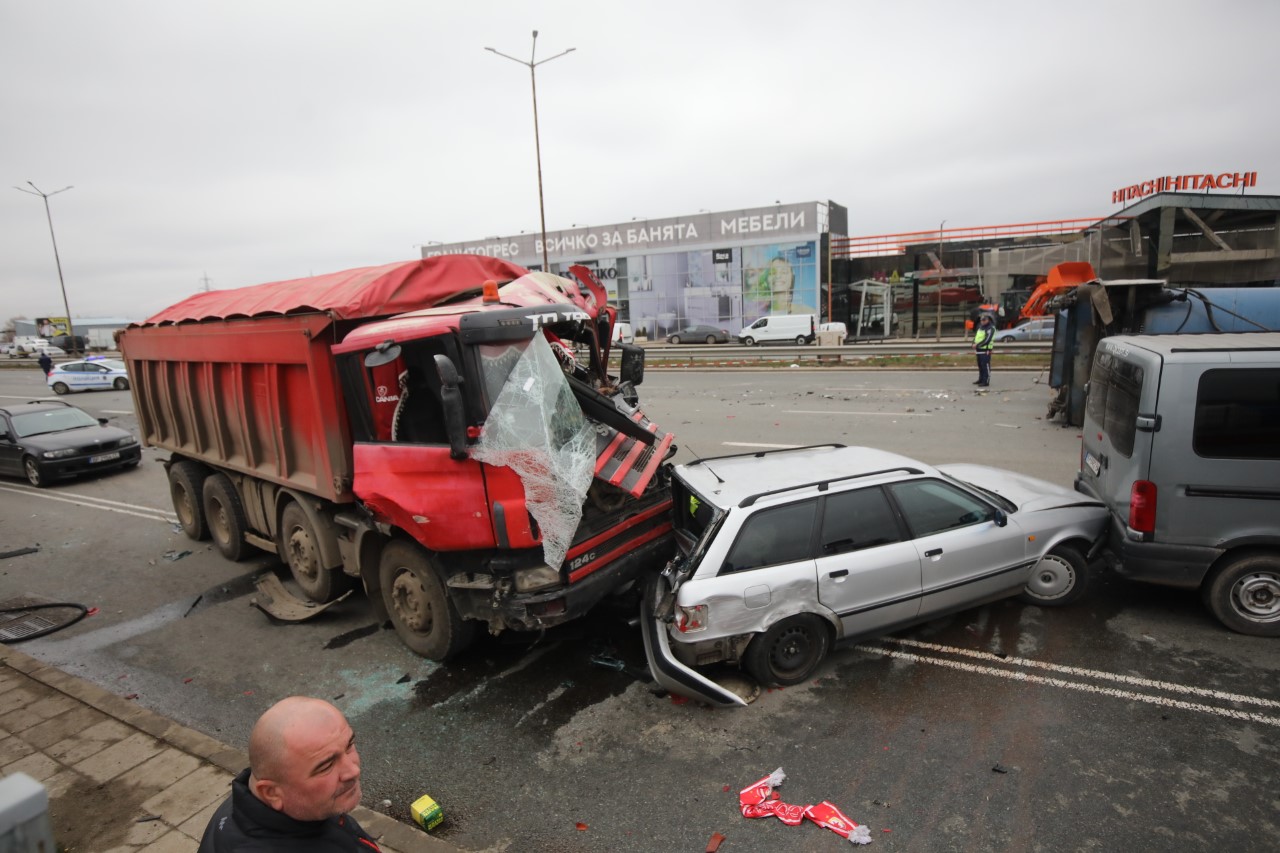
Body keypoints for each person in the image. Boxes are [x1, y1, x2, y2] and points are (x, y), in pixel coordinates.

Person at [199, 697, 379, 852]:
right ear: (271, 793)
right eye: (326, 766)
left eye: (349, 745)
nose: (353, 771)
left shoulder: (250, 802)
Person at [973, 314, 995, 387]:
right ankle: (981, 379)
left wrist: (978, 345)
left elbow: (987, 340)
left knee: (985, 365)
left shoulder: (990, 328)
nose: (982, 322)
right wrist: (973, 343)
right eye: (981, 320)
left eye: (984, 320)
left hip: (986, 350)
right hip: (979, 349)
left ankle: (986, 381)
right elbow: (976, 337)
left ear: (988, 320)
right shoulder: (980, 327)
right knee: (980, 365)